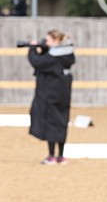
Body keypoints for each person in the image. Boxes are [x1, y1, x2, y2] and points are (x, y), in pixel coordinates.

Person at [28, 29, 75, 164]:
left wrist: (32, 48)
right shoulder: (68, 54)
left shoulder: (54, 56)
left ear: (56, 41)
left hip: (50, 94)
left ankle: (51, 156)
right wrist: (43, 49)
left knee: (50, 123)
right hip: (64, 95)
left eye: (48, 40)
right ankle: (61, 155)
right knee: (62, 123)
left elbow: (37, 62)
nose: (46, 43)